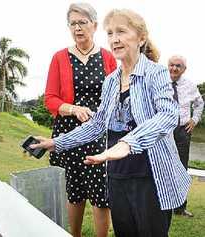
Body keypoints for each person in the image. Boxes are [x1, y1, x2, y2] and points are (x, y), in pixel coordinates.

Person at [32, 9, 191, 237]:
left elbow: (168, 115)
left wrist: (128, 143)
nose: (114, 39)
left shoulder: (156, 73)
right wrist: (56, 143)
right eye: (110, 33)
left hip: (150, 177)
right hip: (117, 176)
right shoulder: (110, 81)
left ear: (141, 38)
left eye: (121, 32)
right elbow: (97, 124)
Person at [44, 3, 116, 237]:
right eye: (73, 23)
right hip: (68, 132)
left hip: (98, 131)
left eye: (82, 22)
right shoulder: (60, 57)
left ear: (94, 26)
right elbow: (50, 99)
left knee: (100, 191)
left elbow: (118, 91)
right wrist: (74, 109)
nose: (77, 28)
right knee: (74, 191)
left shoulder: (107, 57)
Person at [168, 55, 204, 217]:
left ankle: (180, 208)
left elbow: (199, 103)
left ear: (184, 69)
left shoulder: (189, 85)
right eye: (172, 65)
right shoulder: (159, 81)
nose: (174, 68)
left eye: (178, 66)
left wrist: (194, 119)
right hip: (163, 131)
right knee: (160, 166)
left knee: (181, 168)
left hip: (182, 131)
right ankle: (161, 205)